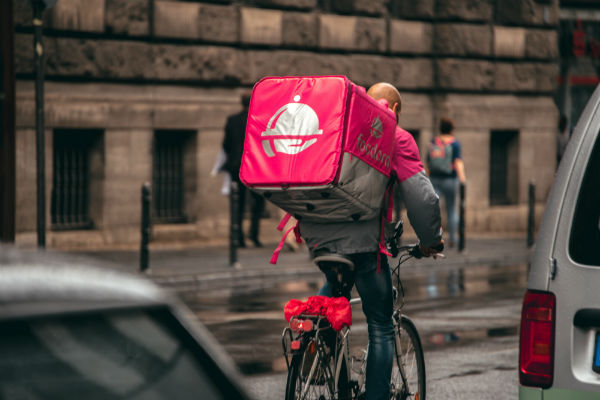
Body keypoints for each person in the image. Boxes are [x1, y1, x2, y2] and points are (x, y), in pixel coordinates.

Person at [299, 82, 443, 400]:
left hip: (317, 234)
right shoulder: (394, 135)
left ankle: (315, 331)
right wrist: (431, 240)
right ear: (393, 110)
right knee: (380, 323)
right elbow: (421, 197)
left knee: (334, 298)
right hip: (363, 243)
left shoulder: (338, 125)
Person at [222, 93, 265, 248]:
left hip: (237, 166)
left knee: (237, 203)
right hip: (256, 167)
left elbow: (226, 145)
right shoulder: (260, 120)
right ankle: (254, 235)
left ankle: (238, 236)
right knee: (257, 204)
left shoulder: (232, 120)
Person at [426, 117, 466, 248]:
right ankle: (453, 239)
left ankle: (434, 238)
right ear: (452, 130)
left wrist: (426, 179)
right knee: (451, 209)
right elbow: (458, 162)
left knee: (433, 210)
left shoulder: (434, 142)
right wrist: (462, 180)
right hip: (450, 179)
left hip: (434, 179)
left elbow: (428, 162)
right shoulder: (455, 144)